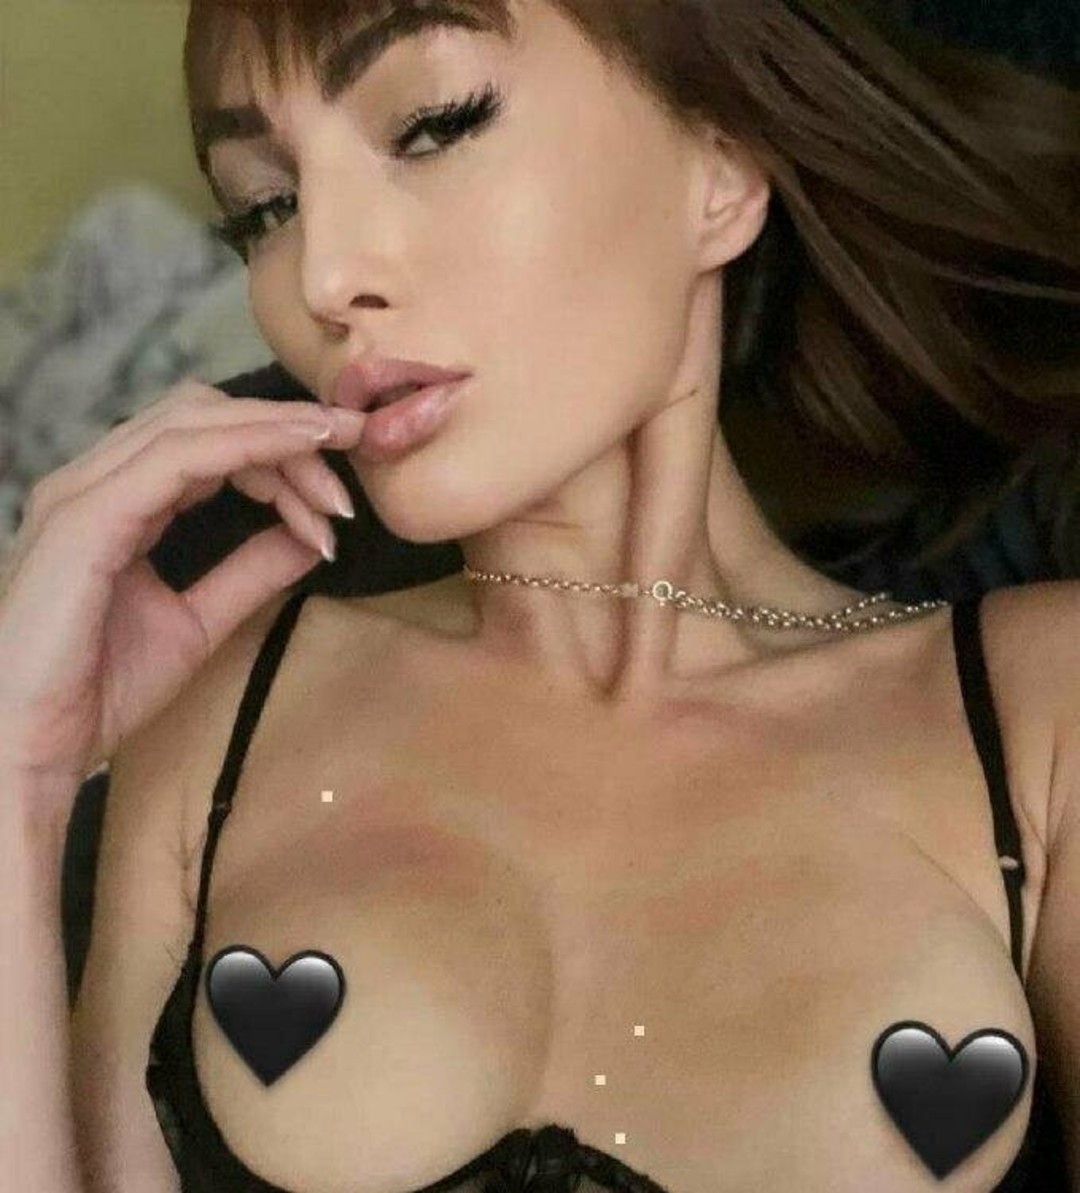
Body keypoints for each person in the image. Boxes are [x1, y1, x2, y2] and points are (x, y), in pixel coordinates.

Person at [1, 1, 1077, 1191]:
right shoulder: (222, 706)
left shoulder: (1039, 715)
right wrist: (19, 777)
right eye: (266, 207)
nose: (324, 275)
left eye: (431, 126)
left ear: (720, 170)